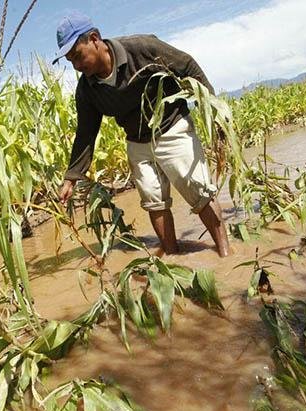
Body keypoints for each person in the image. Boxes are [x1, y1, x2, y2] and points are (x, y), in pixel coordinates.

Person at [54, 12, 230, 257]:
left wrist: (214, 111)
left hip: (172, 128)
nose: (76, 65)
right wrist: (71, 177)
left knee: (199, 192)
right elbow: (85, 132)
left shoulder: (141, 48)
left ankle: (225, 253)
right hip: (136, 141)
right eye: (70, 61)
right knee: (154, 201)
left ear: (94, 38)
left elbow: (187, 65)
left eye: (77, 56)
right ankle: (171, 256)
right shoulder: (87, 89)